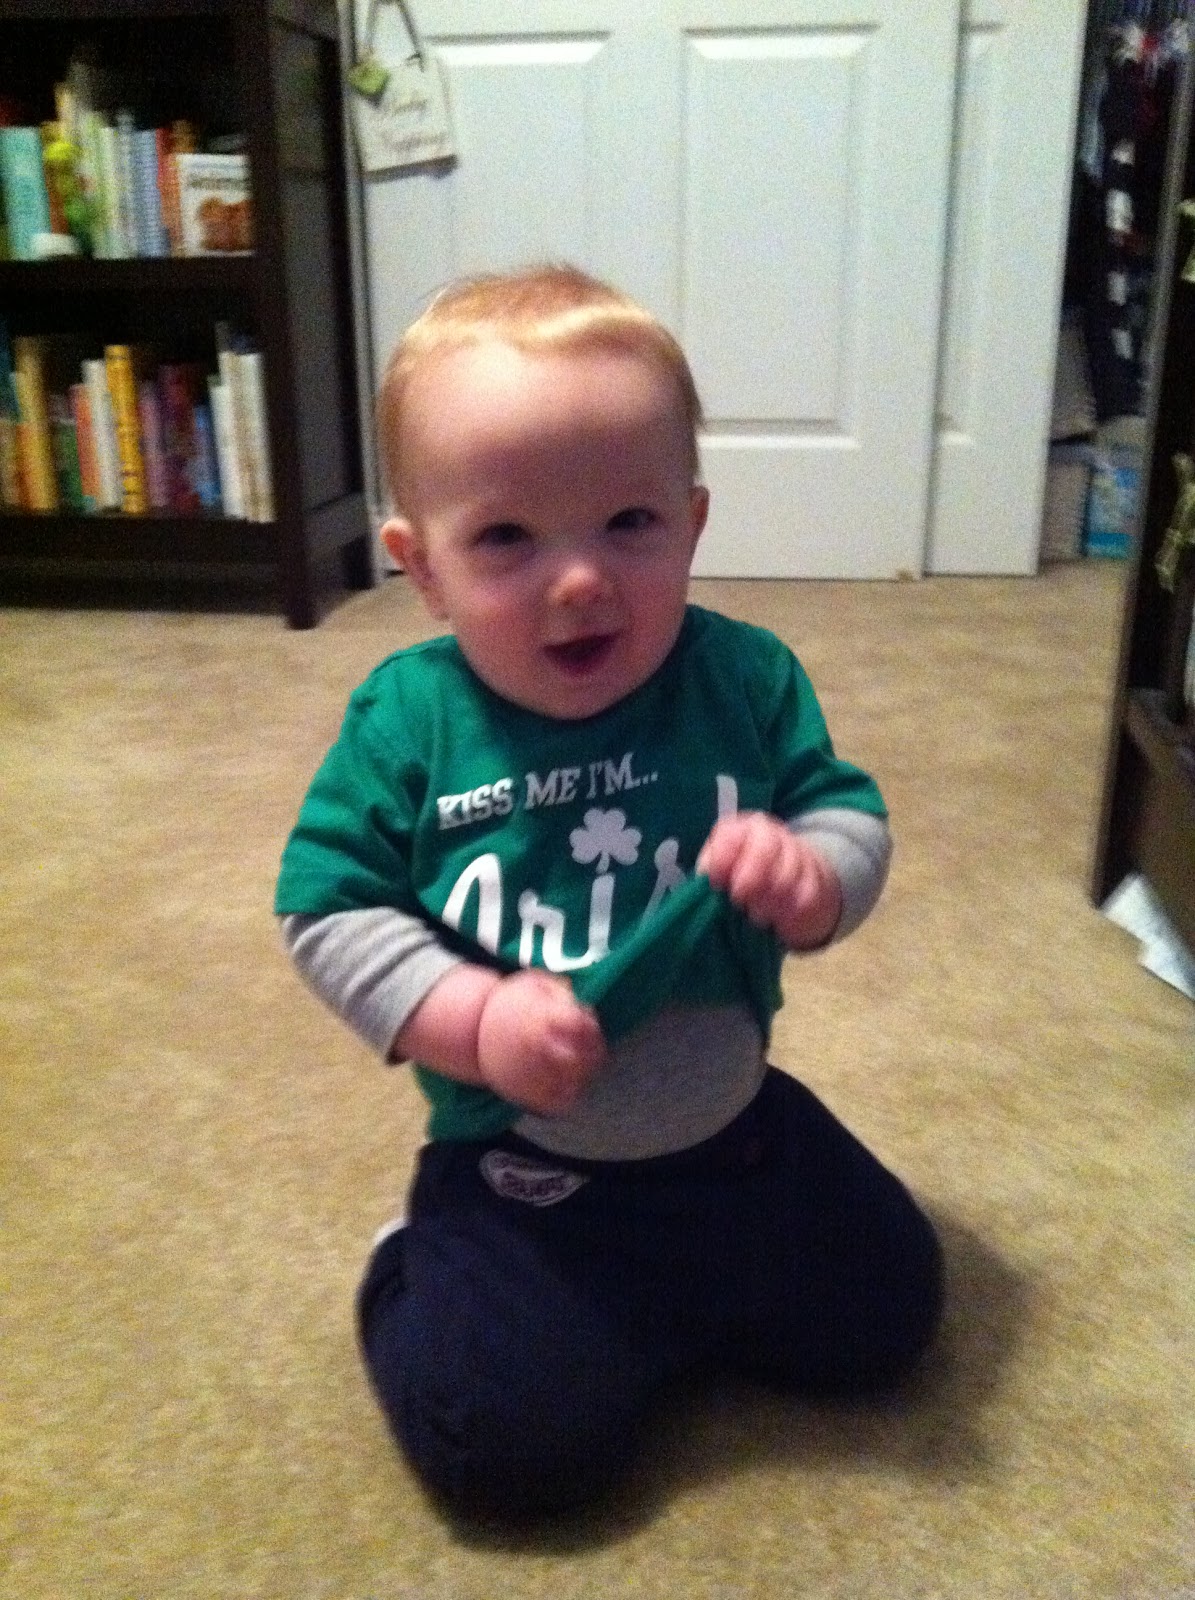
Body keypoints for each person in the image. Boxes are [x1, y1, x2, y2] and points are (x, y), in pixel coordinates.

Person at [275, 264, 943, 1519]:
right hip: (529, 1171)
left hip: (735, 1136)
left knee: (890, 1312)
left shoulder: (743, 678)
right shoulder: (412, 723)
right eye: (507, 539)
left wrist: (816, 880)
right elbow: (326, 907)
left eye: (628, 522)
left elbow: (846, 811)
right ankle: (408, 1265)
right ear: (422, 567)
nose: (580, 579)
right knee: (502, 1450)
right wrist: (473, 1018)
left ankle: (688, 1298)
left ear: (691, 523)